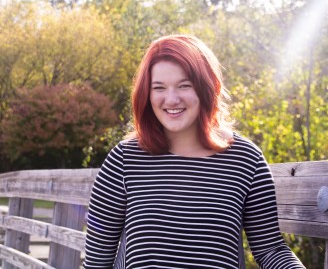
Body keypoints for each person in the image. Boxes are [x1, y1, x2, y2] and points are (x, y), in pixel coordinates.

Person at [83, 35, 305, 268]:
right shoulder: (124, 160)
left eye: (184, 85)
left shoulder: (246, 160)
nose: (171, 99)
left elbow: (270, 248)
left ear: (207, 88)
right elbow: (98, 255)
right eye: (159, 88)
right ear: (146, 95)